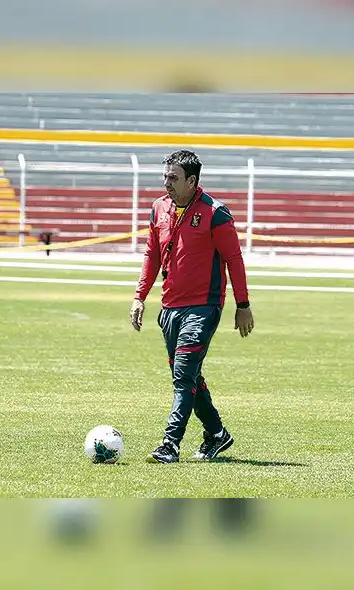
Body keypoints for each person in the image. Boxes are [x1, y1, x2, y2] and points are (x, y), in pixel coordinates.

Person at [130, 149, 254, 464]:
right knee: (190, 377)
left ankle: (170, 445)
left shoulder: (216, 213)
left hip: (204, 306)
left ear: (192, 180)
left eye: (173, 178)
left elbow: (234, 260)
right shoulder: (158, 209)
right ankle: (216, 433)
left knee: (183, 377)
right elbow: (152, 255)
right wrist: (139, 296)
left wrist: (243, 304)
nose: (166, 183)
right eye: (165, 176)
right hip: (169, 308)